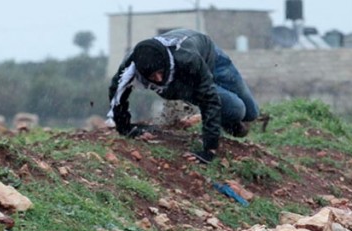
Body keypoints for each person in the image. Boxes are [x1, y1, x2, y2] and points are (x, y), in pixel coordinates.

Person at [108, 28, 259, 164]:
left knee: (251, 113)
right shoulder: (129, 67)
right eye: (152, 76)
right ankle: (226, 117)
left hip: (211, 60)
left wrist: (208, 150)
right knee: (237, 109)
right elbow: (117, 95)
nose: (159, 79)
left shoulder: (187, 58)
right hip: (181, 81)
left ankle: (224, 118)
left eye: (160, 72)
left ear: (166, 62)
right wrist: (125, 128)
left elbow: (209, 99)